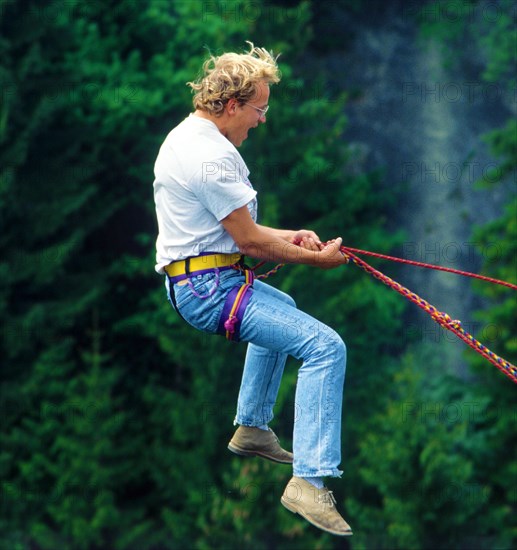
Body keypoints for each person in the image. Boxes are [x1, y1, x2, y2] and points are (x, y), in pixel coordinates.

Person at [153, 42, 352, 537]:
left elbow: (232, 232)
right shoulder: (211, 158)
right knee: (326, 347)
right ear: (232, 104)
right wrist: (315, 258)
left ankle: (252, 427)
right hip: (208, 289)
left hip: (204, 278)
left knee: (281, 310)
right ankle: (308, 481)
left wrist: (291, 236)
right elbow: (246, 240)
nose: (262, 120)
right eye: (260, 109)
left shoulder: (190, 136)